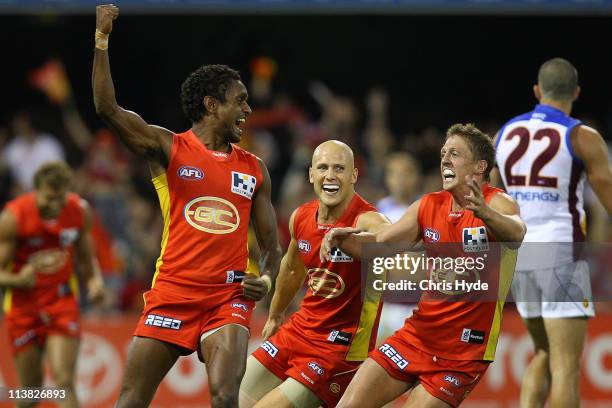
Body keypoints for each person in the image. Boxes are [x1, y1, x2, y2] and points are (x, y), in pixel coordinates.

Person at [92, 5, 282, 408]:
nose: (248, 110)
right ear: (212, 105)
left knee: (225, 396)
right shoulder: (167, 147)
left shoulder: (255, 169)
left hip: (227, 296)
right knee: (130, 401)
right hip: (173, 291)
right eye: (240, 101)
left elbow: (271, 246)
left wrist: (264, 281)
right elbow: (107, 109)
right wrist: (102, 40)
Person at [323, 124, 526, 408]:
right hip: (417, 335)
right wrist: (337, 237)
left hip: (463, 353)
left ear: (479, 166)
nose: (444, 159)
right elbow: (380, 243)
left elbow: (517, 234)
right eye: (444, 153)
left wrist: (486, 214)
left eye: (454, 154)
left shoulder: (499, 203)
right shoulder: (428, 205)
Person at [495, 58, 612, 408]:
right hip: (560, 251)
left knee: (543, 352)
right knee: (566, 368)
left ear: (537, 91)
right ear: (576, 92)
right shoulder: (580, 135)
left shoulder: (504, 133)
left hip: (520, 253)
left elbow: (492, 198)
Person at [239, 140, 389, 408]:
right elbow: (293, 267)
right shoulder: (301, 217)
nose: (330, 175)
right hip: (299, 330)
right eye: (323, 167)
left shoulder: (366, 220)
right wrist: (275, 314)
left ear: (354, 175)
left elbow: (389, 243)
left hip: (339, 348)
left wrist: (358, 242)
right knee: (229, 396)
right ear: (311, 175)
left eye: (339, 168)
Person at [0, 161, 106, 408]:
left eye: (61, 198)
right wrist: (17, 280)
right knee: (30, 393)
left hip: (62, 301)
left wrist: (95, 282)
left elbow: (86, 257)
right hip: (22, 307)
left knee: (63, 381)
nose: (56, 205)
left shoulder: (78, 211)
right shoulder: (13, 217)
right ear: (35, 190)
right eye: (49, 198)